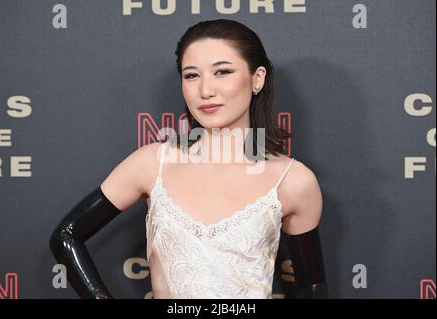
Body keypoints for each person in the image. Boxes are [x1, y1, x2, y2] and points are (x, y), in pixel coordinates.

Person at [50, 19, 328, 299]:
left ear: (257, 78)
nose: (205, 90)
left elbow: (312, 288)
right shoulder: (152, 164)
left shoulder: (293, 181)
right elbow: (66, 236)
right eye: (192, 75)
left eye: (222, 72)